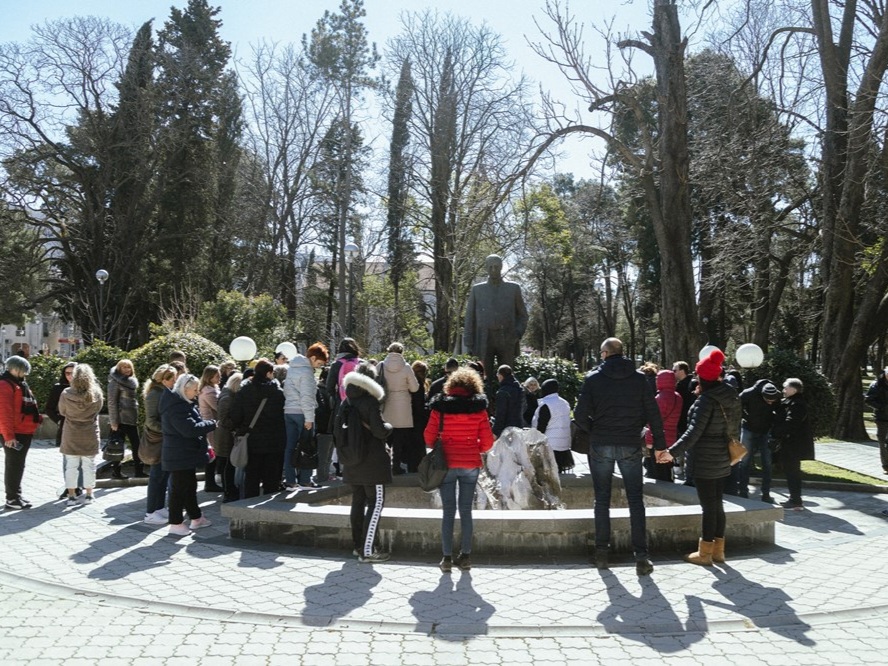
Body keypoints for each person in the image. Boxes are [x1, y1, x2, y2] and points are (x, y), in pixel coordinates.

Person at [574, 337, 666, 575]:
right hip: (629, 443)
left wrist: (595, 430)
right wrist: (660, 445)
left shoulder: (593, 379)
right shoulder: (639, 380)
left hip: (601, 443)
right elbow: (653, 414)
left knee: (602, 499)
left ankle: (602, 554)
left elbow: (580, 414)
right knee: (636, 500)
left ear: (605, 353)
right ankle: (642, 557)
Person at [659, 348, 740, 566]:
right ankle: (719, 551)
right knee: (717, 504)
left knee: (708, 507)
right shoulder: (730, 395)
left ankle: (705, 553)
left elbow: (693, 432)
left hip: (705, 459)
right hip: (723, 457)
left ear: (702, 376)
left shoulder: (706, 401)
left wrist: (671, 452)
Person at [425, 367, 495, 572]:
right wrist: (475, 448)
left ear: (451, 386)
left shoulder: (440, 408)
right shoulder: (479, 409)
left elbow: (428, 438)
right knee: (466, 510)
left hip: (446, 464)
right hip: (470, 464)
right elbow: (488, 442)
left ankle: (446, 558)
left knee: (448, 511)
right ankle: (465, 557)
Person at [337, 362, 393, 563]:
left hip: (352, 462)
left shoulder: (346, 402)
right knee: (376, 503)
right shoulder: (370, 402)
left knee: (358, 503)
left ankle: (358, 546)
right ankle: (368, 550)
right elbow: (379, 431)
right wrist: (389, 427)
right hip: (373, 463)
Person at [160, 373, 216, 536]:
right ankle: (176, 523)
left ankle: (196, 518)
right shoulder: (176, 406)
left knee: (189, 487)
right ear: (184, 389)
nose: (197, 392)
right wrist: (211, 424)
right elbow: (189, 429)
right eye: (194, 389)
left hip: (184, 453)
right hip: (179, 454)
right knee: (179, 490)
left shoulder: (182, 403)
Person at [463, 254, 529, 375]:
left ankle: (507, 394)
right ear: (486, 268)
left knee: (507, 375)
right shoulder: (477, 290)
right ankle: (483, 394)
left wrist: (517, 334)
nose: (494, 270)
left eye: (496, 267)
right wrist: (468, 340)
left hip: (507, 337)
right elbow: (470, 317)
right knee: (482, 375)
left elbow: (523, 315)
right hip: (484, 338)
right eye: (491, 267)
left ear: (501, 267)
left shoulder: (513, 289)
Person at [230, 358, 286, 499]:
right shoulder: (277, 393)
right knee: (271, 477)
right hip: (273, 441)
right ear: (268, 373)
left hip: (251, 439)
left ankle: (249, 506)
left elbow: (235, 415)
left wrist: (242, 427)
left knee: (252, 475)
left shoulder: (245, 391)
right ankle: (269, 508)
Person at [283, 343, 329, 490]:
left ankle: (290, 480)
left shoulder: (292, 369)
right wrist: (310, 418)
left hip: (289, 411)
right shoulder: (307, 373)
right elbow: (307, 397)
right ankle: (305, 480)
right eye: (319, 363)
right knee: (308, 446)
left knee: (289, 447)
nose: (319, 367)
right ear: (313, 358)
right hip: (303, 413)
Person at [58, 363, 103, 506]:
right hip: (89, 432)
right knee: (89, 465)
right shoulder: (96, 393)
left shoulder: (66, 393)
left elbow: (62, 412)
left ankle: (71, 496)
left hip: (71, 432)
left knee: (71, 465)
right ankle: (89, 495)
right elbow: (98, 410)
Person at [0, 355, 41, 510]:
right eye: (24, 371)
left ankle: (16, 495)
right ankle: (12, 499)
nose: (25, 374)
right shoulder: (5, 384)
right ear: (16, 369)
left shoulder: (18, 383)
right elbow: (4, 413)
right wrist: (8, 436)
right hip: (15, 432)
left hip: (23, 431)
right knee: (14, 465)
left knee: (18, 465)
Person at [771, 378, 815, 509]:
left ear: (793, 390)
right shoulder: (791, 402)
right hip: (791, 443)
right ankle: (794, 498)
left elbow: (791, 423)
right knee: (791, 471)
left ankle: (795, 499)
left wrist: (777, 432)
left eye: (786, 388)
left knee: (793, 472)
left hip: (793, 444)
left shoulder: (797, 404)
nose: (783, 390)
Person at [734, 379, 781, 502]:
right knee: (744, 461)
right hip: (749, 428)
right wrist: (746, 417)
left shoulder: (777, 395)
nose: (770, 403)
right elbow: (736, 406)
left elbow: (780, 413)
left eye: (773, 401)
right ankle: (743, 490)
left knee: (767, 462)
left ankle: (766, 493)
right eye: (767, 400)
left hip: (766, 430)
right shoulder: (749, 393)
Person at [143, 364, 178, 524]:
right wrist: (167, 429)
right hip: (157, 440)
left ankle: (158, 507)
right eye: (173, 379)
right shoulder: (155, 394)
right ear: (164, 380)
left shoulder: (165, 392)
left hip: (164, 439)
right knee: (156, 475)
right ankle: (150, 512)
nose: (175, 382)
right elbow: (150, 421)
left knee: (163, 475)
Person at [378, 342, 420, 474]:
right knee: (399, 440)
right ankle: (395, 466)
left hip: (385, 403)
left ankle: (383, 465)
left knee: (384, 437)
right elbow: (415, 388)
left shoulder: (381, 366)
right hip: (402, 406)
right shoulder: (406, 367)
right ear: (402, 352)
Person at [644, 369, 682, 482]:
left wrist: (649, 441)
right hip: (672, 438)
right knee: (666, 467)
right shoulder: (678, 397)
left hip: (659, 439)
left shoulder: (659, 398)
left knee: (656, 471)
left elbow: (654, 422)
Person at [108, 359, 143, 479]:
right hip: (120, 420)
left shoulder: (131, 382)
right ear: (119, 369)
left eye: (129, 367)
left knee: (137, 445)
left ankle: (139, 471)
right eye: (124, 367)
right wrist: (114, 422)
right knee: (117, 446)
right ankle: (116, 472)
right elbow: (112, 403)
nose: (127, 370)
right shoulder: (114, 382)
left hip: (132, 419)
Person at [532, 378, 573, 473]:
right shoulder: (564, 402)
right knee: (559, 471)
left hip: (550, 443)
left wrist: (536, 439)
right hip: (563, 443)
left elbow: (542, 425)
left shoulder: (546, 404)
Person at [216, 371, 243, 502]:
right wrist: (236, 423)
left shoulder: (229, 395)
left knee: (229, 465)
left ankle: (230, 490)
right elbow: (223, 420)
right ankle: (228, 491)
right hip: (226, 437)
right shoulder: (227, 398)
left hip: (227, 435)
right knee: (228, 466)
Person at [198, 365, 224, 493]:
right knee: (212, 454)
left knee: (213, 453)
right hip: (211, 427)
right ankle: (210, 483)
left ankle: (211, 482)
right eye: (217, 376)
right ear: (210, 377)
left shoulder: (211, 389)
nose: (220, 378)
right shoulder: (209, 392)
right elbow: (219, 407)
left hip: (212, 425)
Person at [45, 362, 76, 448]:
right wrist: (59, 421)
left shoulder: (85, 387)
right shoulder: (58, 388)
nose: (70, 375)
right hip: (65, 426)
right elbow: (49, 408)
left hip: (83, 428)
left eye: (73, 373)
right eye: (67, 373)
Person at [865, 366, 888, 474]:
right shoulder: (876, 385)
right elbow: (869, 399)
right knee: (882, 442)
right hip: (882, 418)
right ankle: (886, 465)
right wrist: (882, 407)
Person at [492, 365, 524, 438]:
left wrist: (495, 432)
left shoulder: (502, 392)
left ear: (500, 375)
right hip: (519, 427)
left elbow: (501, 413)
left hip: (506, 429)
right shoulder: (520, 389)